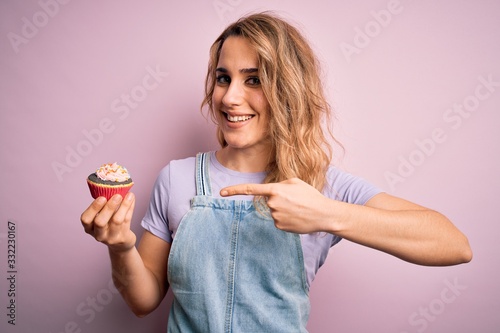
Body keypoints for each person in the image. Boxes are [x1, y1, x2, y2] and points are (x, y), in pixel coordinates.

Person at [80, 12, 472, 332]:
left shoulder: (321, 186)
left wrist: (325, 213)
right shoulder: (176, 178)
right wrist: (120, 247)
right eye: (223, 78)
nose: (230, 97)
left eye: (254, 79)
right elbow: (143, 300)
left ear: (289, 90)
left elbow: (454, 244)